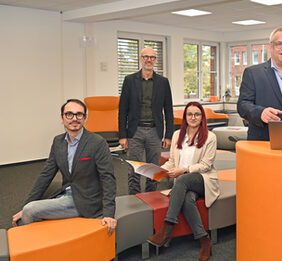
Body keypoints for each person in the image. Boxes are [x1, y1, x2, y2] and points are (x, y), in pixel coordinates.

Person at [12, 99, 117, 235]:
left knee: (30, 211)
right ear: (62, 118)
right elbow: (46, 175)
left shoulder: (97, 142)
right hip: (66, 193)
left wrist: (109, 213)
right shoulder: (58, 142)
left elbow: (107, 178)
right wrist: (25, 204)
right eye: (69, 114)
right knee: (24, 216)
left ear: (85, 118)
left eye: (79, 114)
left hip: (86, 201)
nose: (74, 119)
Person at [147, 102, 219, 261]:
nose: (193, 117)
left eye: (197, 114)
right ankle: (204, 240)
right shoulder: (177, 135)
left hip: (203, 179)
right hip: (183, 183)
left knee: (183, 180)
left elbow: (206, 166)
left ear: (202, 117)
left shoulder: (210, 136)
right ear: (185, 117)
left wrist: (184, 171)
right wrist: (158, 171)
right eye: (190, 114)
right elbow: (172, 161)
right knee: (187, 199)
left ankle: (166, 228)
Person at [118, 46, 174, 194]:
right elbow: (122, 110)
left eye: (152, 57)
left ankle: (151, 197)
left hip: (155, 131)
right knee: (134, 169)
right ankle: (134, 197)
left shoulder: (163, 82)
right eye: (145, 57)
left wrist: (168, 135)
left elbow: (168, 110)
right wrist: (122, 135)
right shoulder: (129, 80)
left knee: (153, 170)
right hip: (135, 131)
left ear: (155, 60)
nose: (149, 60)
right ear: (140, 59)